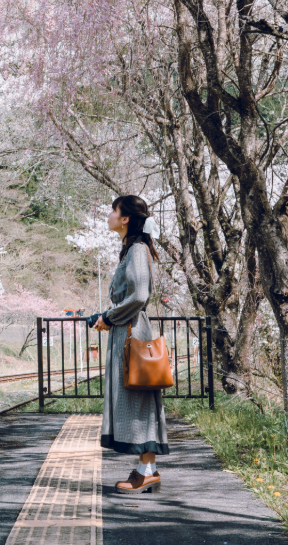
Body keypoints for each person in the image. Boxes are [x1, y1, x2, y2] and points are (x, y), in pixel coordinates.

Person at [92, 194, 169, 494]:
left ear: (125, 219)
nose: (110, 215)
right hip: (128, 331)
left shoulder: (136, 249)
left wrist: (109, 318)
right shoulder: (132, 249)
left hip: (131, 333)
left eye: (114, 211)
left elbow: (139, 296)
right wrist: (109, 318)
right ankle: (146, 468)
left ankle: (146, 470)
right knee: (137, 397)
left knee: (137, 397)